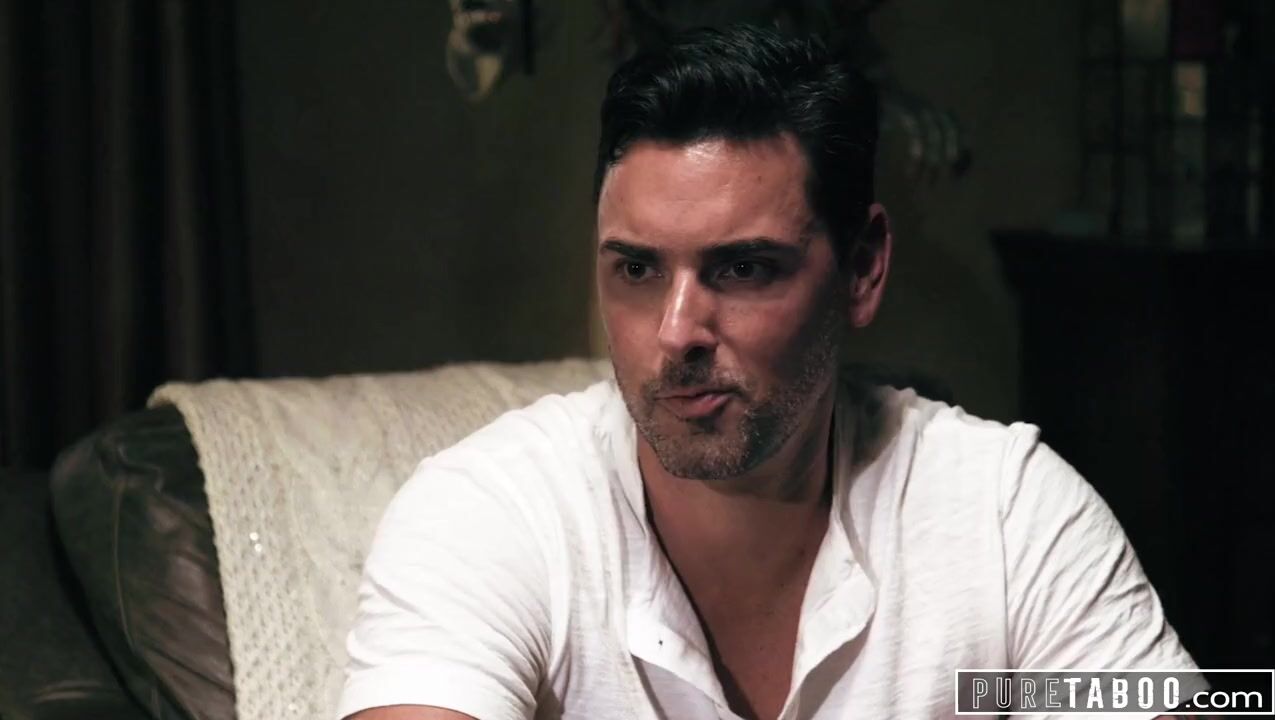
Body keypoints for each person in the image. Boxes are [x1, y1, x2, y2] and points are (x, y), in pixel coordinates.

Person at [337, 24, 1196, 720]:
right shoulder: (493, 513)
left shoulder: (1002, 514)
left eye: (742, 268)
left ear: (861, 270)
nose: (676, 331)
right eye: (636, 269)